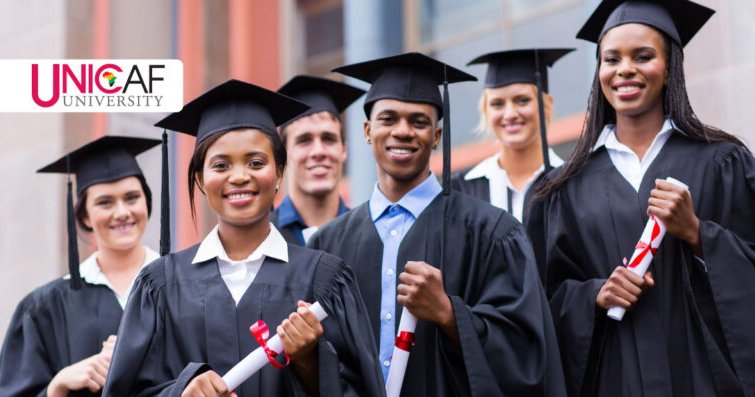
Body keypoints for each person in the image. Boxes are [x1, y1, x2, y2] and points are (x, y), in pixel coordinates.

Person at [527, 1, 755, 395]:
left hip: (704, 379)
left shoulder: (723, 161)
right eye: (611, 59)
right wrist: (594, 296)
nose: (625, 69)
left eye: (643, 56)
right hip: (614, 380)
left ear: (669, 69)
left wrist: (699, 235)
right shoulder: (562, 189)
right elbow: (539, 301)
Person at [103, 79, 384, 397]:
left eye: (256, 163)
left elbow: (365, 389)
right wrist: (179, 392)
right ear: (200, 178)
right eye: (221, 165)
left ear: (279, 173)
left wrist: (309, 362)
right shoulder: (160, 286)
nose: (239, 176)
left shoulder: (325, 281)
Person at [309, 52, 565, 396]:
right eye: (388, 119)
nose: (402, 131)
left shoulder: (492, 232)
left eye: (418, 121)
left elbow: (526, 354)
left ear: (437, 135)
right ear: (369, 131)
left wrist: (448, 313)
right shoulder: (328, 246)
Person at [0, 136, 162, 397]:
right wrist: (58, 385)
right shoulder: (46, 307)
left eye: (132, 198)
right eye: (105, 202)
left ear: (146, 202)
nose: (122, 212)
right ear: (84, 215)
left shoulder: (178, 284)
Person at [453, 48, 572, 223]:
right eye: (497, 104)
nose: (510, 114)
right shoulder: (461, 190)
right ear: (486, 111)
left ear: (547, 106)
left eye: (522, 100)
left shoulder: (570, 182)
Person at [271, 75, 364, 245]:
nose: (318, 151)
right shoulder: (262, 238)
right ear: (284, 156)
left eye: (328, 139)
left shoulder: (367, 234)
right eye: (304, 140)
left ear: (344, 150)